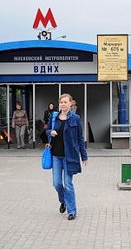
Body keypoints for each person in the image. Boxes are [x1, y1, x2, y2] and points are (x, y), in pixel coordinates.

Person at [47, 93, 88, 221]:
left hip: (69, 156)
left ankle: (72, 211)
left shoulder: (75, 118)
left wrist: (84, 156)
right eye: (61, 102)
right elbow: (46, 131)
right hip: (56, 155)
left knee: (68, 184)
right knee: (57, 183)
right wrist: (50, 132)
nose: (63, 104)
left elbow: (80, 138)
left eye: (66, 102)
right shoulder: (54, 117)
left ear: (71, 103)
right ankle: (63, 201)